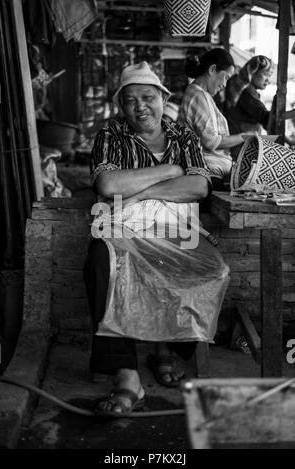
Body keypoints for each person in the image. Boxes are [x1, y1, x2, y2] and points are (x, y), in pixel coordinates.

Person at [83, 61, 230, 414]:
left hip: (177, 231)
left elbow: (198, 186)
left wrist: (139, 193)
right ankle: (127, 376)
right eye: (130, 100)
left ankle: (166, 349)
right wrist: (169, 170)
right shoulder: (111, 136)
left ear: (163, 98)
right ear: (121, 106)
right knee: (101, 264)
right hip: (123, 229)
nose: (140, 107)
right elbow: (108, 184)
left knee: (213, 270)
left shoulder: (185, 137)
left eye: (148, 97)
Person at [179, 48, 256, 190]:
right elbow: (212, 142)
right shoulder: (198, 96)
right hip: (207, 176)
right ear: (212, 69)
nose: (225, 84)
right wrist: (245, 137)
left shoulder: (201, 95)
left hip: (209, 173)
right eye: (226, 77)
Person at [223, 55, 274, 136]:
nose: (268, 80)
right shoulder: (247, 92)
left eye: (269, 76)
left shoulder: (236, 84)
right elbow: (267, 120)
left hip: (237, 142)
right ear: (252, 71)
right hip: (243, 144)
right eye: (265, 74)